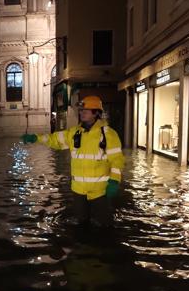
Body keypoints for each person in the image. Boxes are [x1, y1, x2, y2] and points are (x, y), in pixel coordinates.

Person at [21, 95, 124, 227]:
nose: (82, 113)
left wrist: (114, 181)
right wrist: (36, 138)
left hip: (100, 190)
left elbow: (117, 160)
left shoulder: (108, 134)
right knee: (82, 224)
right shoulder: (74, 133)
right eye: (81, 110)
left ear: (96, 113)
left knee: (105, 225)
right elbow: (54, 139)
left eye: (86, 110)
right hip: (79, 190)